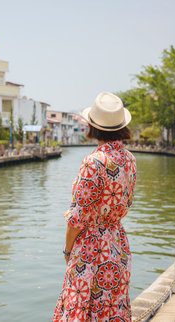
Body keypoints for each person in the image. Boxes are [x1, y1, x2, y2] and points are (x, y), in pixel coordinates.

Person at [53, 92, 137, 321]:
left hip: (91, 249)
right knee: (111, 309)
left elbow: (77, 219)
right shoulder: (129, 159)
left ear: (92, 126)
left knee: (81, 309)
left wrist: (68, 251)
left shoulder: (94, 162)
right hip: (117, 244)